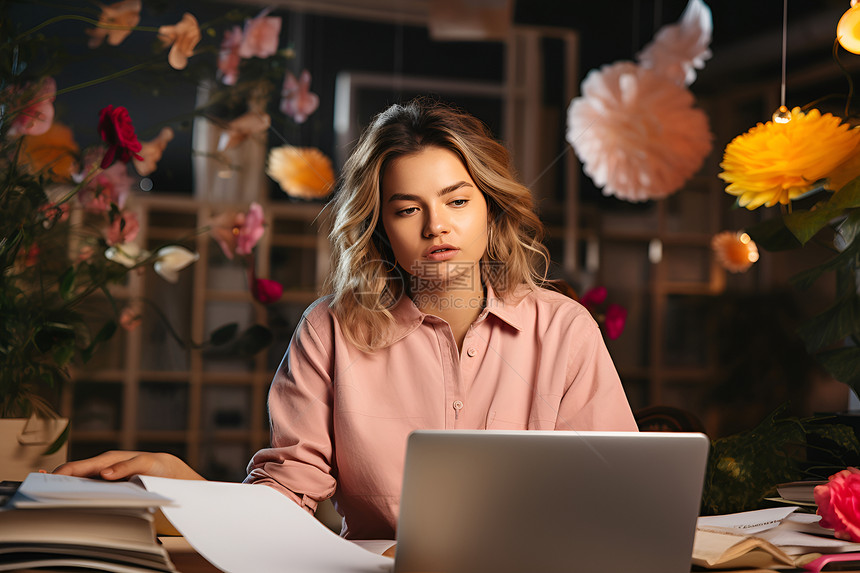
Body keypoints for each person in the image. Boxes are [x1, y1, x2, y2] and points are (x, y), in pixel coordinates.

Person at [55, 98, 638, 540]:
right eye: (408, 209)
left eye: (458, 201)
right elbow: (286, 497)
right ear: (380, 226)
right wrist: (185, 486)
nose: (436, 226)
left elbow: (619, 496)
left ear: (492, 208)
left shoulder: (564, 329)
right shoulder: (328, 328)